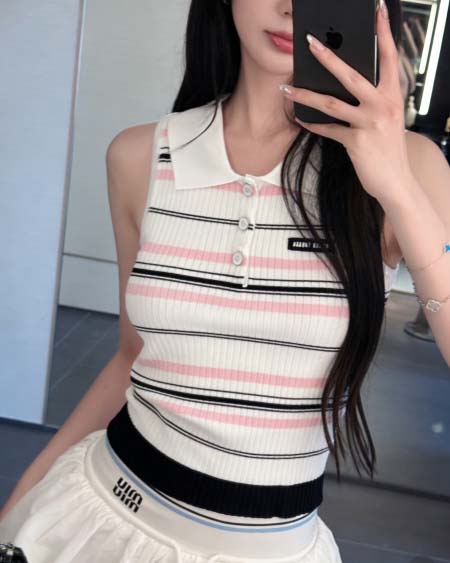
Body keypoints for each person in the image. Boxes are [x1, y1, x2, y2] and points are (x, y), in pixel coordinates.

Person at [0, 0, 405, 561]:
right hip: (99, 515)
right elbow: (132, 357)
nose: (289, 7)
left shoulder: (403, 169)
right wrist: (19, 505)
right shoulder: (138, 154)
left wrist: (398, 180)